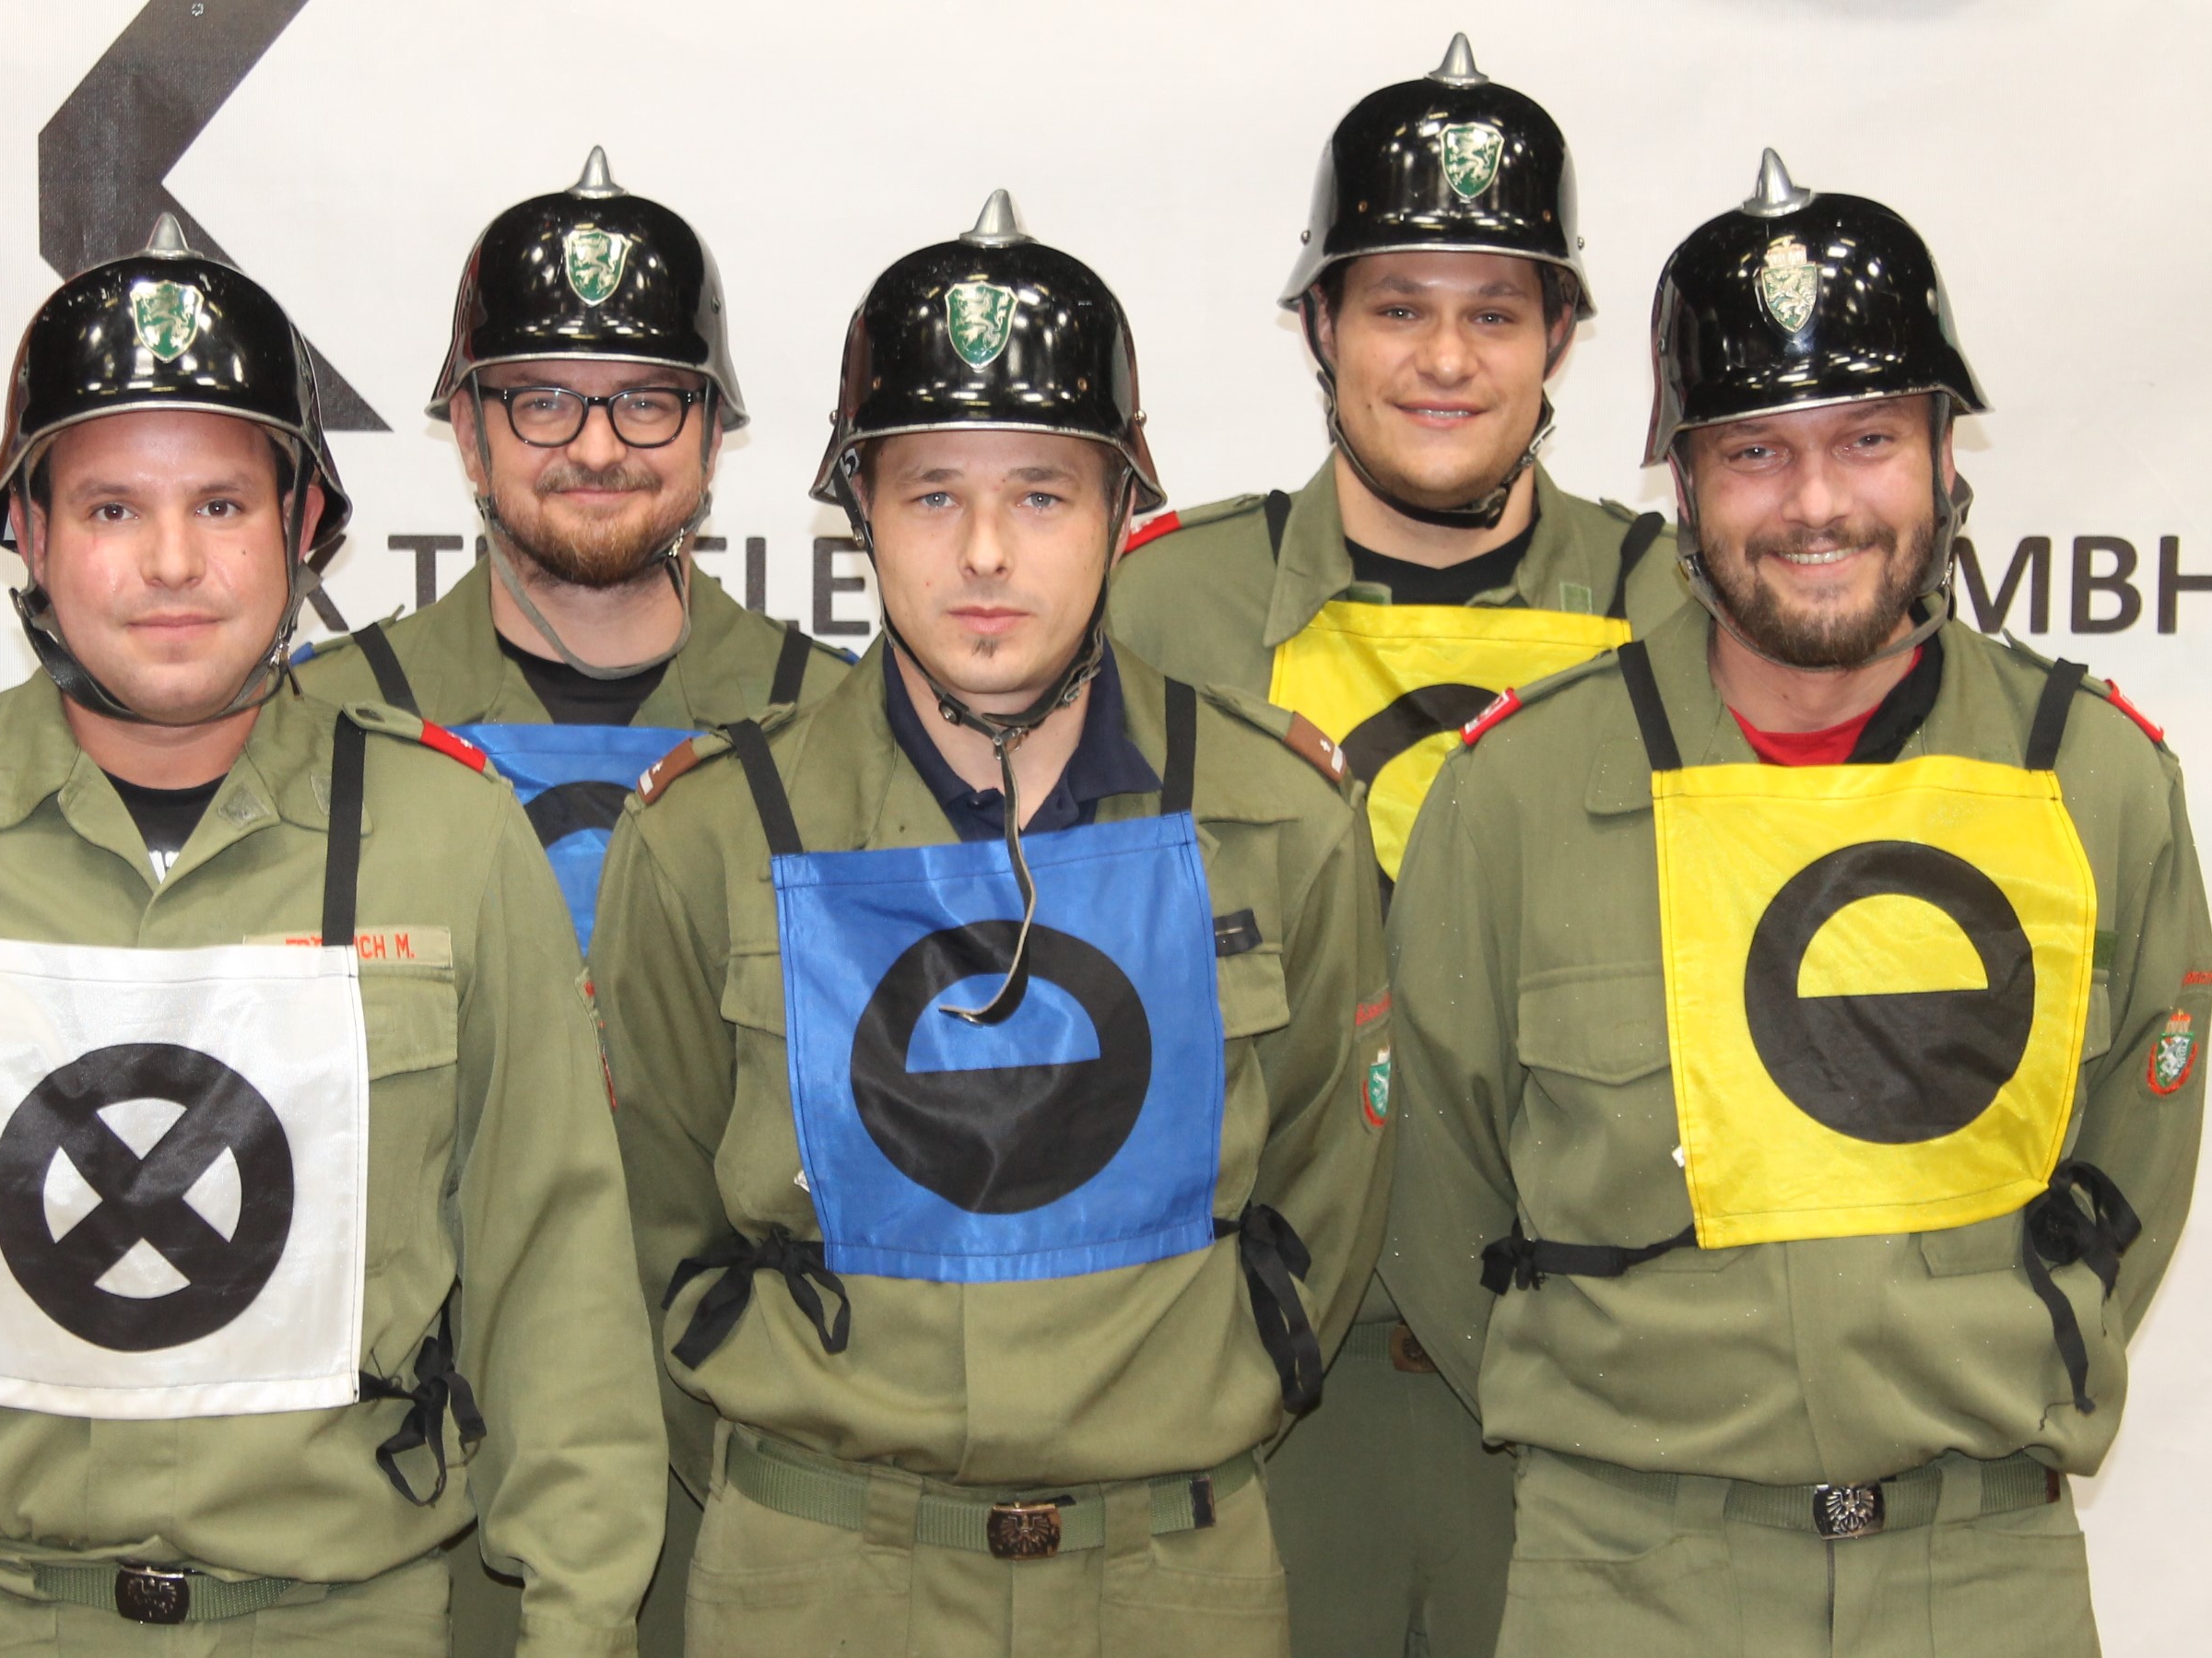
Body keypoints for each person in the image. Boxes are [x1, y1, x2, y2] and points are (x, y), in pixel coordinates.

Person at [0, 218, 664, 1655]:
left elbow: (558, 1291)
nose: (172, 562)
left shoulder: (450, 834)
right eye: (111, 508)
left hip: (344, 1624)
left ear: (302, 522)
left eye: (222, 504)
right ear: (29, 532)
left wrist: (580, 1629)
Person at [1383, 152, 2207, 1656]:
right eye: (1754, 450)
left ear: (1944, 455)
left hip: (1984, 1579)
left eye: (1866, 437)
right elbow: (1437, 1206)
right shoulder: (1511, 802)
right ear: (1682, 482)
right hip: (1623, 1581)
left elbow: (2127, 1189)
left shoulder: (2093, 782)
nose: (1814, 501)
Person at [593, 191, 1392, 1655]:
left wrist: (1214, 1390)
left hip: (1170, 1578)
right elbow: (652, 1220)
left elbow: (1327, 1195)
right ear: (860, 511)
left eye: (1039, 495)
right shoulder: (710, 835)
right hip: (816, 1577)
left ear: (1118, 511)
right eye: (929, 495)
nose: (982, 554)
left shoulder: (1277, 816)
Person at [1107, 35, 1681, 1655]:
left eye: (1494, 311)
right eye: (1395, 307)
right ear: (1319, 327)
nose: (1444, 359)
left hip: (1592, 1400)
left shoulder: (1675, 614)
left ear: (1559, 335)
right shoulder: (1160, 609)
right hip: (1264, 1401)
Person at [296, 147, 848, 958]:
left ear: (712, 437)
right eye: (543, 401)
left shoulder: (836, 723)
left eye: (647, 402)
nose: (596, 448)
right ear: (470, 435)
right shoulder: (320, 720)